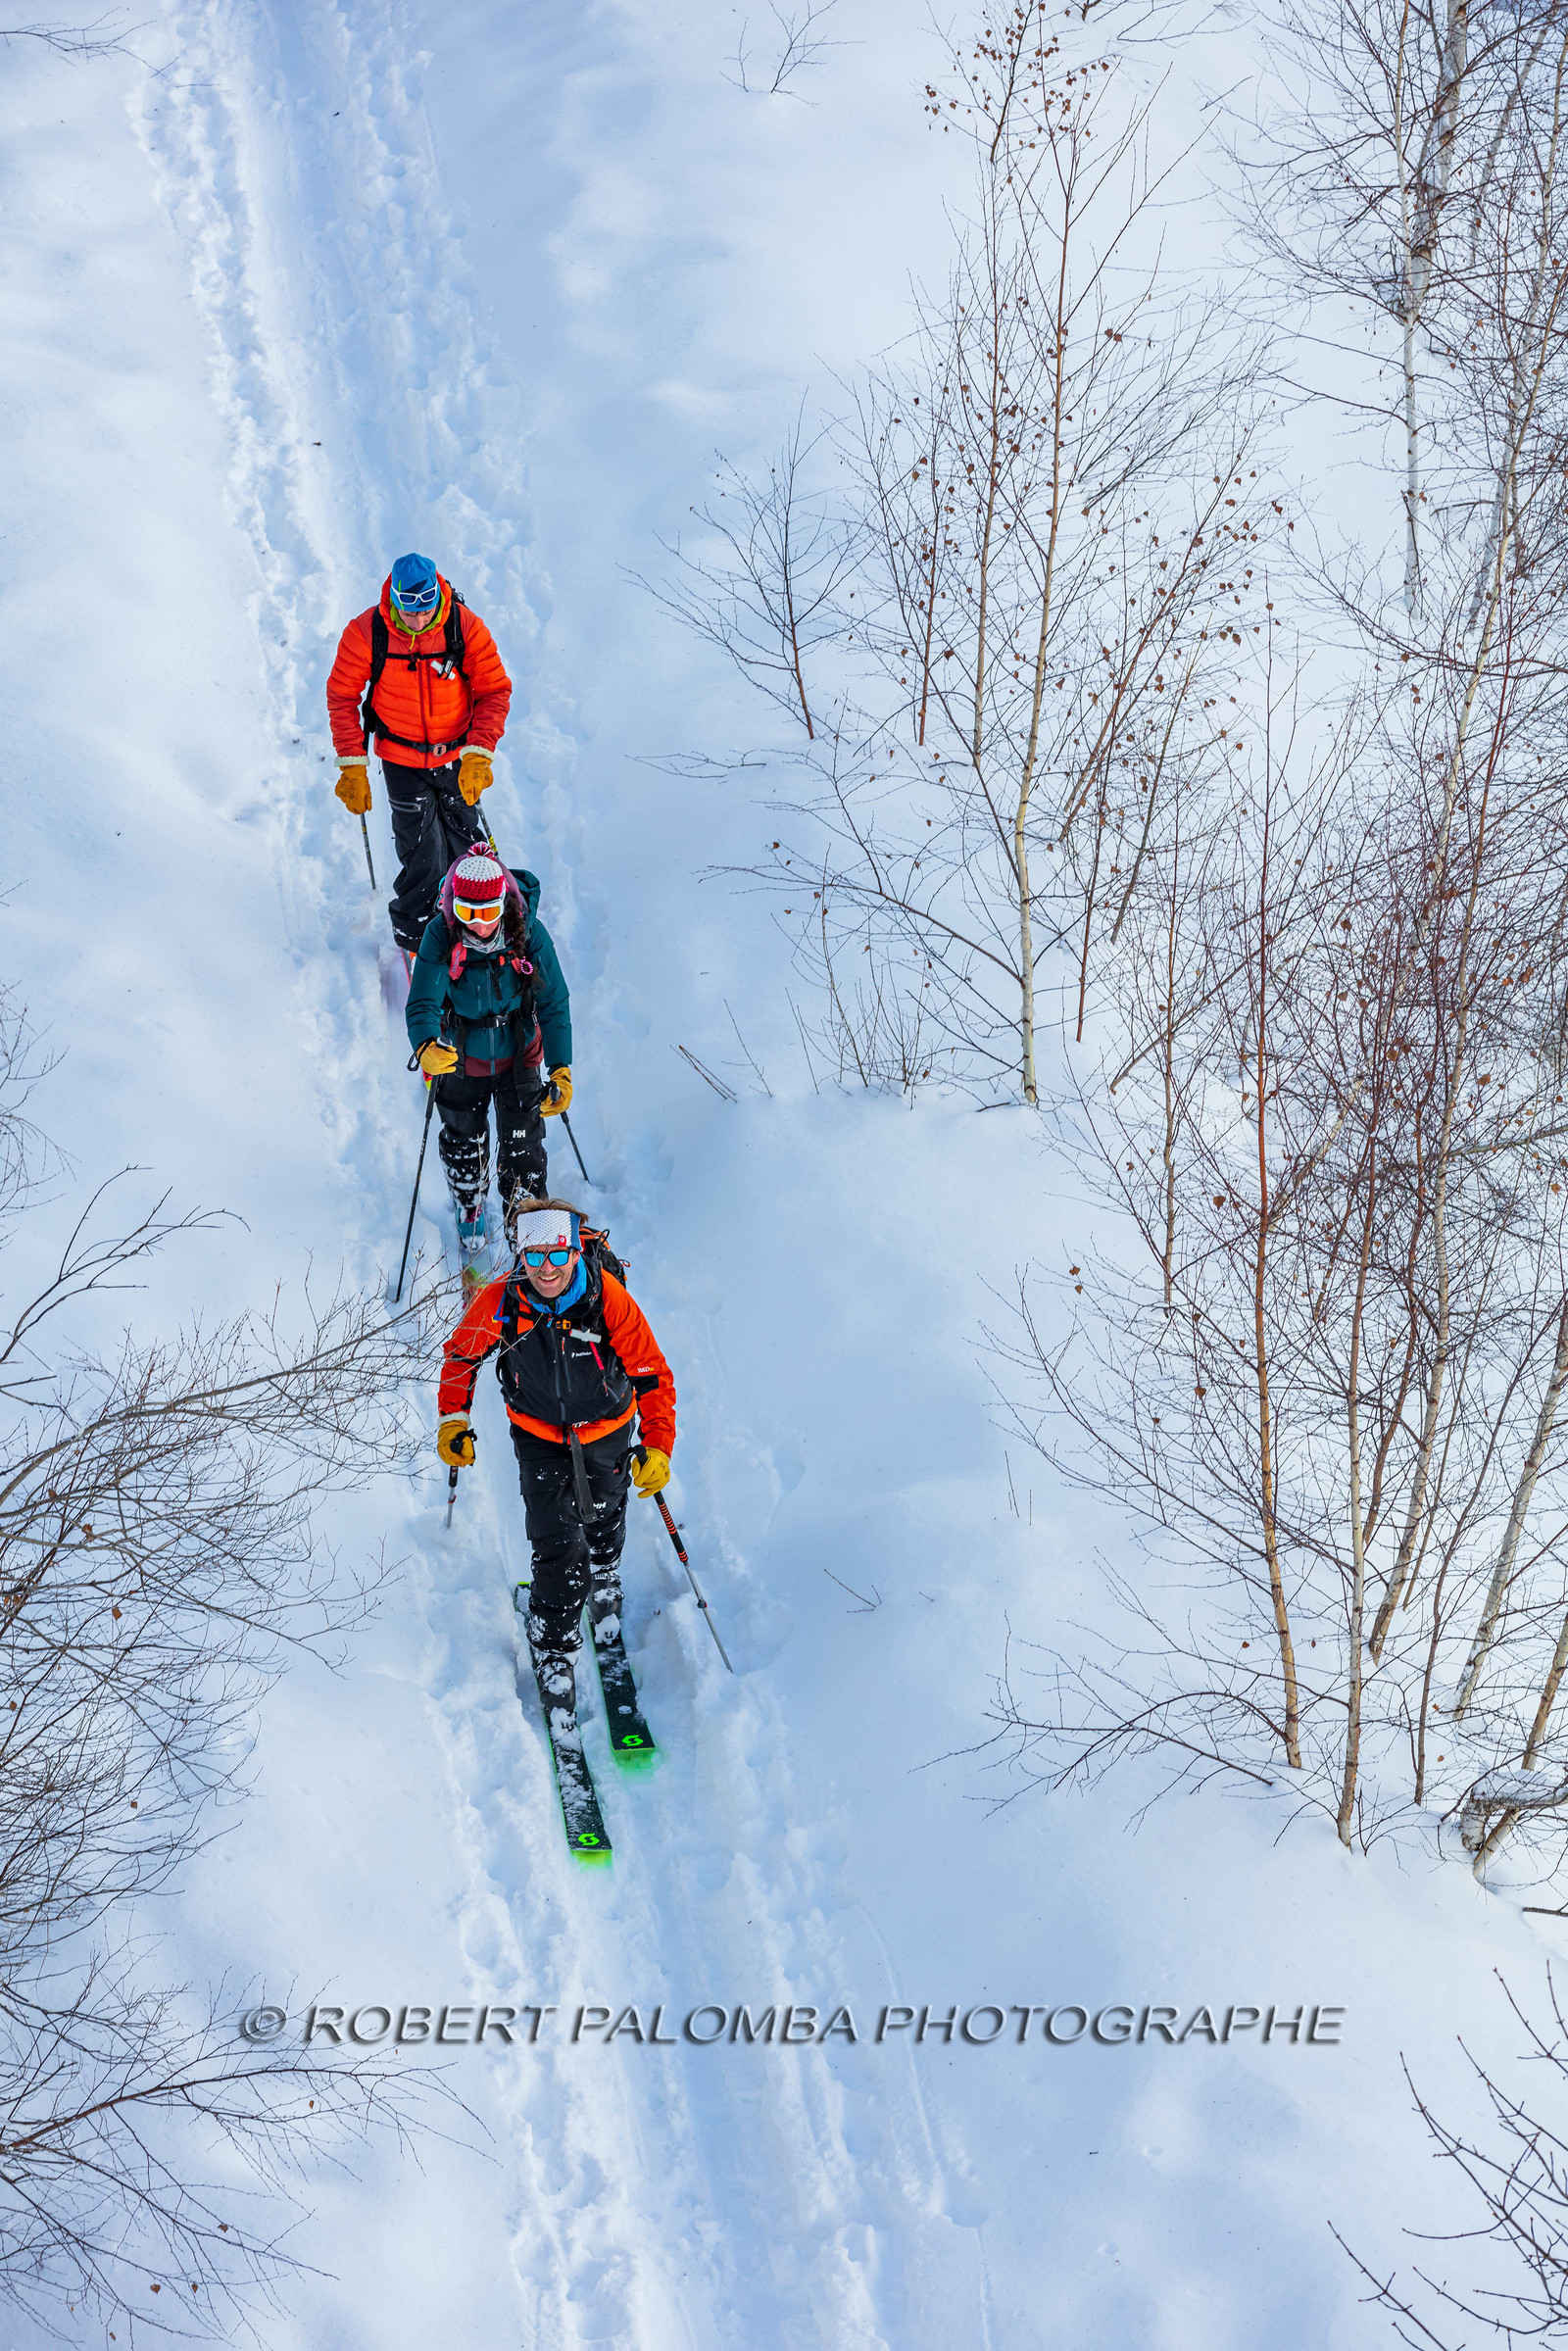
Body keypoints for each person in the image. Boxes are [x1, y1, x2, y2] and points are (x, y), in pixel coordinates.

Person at [435, 1200, 676, 1726]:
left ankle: (607, 1570)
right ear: (523, 1253)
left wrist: (657, 1446)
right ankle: (554, 1647)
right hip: (538, 1432)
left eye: (558, 1254)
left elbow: (652, 1374)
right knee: (554, 1540)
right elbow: (461, 1356)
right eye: (536, 1254)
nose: (547, 1268)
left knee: (607, 1511)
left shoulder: (606, 1298)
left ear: (574, 1251)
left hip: (608, 1426)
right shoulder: (502, 1300)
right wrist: (453, 1418)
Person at [327, 553, 513, 955]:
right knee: (421, 853)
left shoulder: (462, 627)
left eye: (425, 606)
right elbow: (342, 696)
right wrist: (353, 765)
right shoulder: (366, 633)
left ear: (437, 596)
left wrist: (479, 754)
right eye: (407, 609)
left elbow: (494, 689)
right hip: (402, 758)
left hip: (456, 756)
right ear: (393, 598)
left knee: (466, 845)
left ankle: (475, 922)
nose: (416, 619)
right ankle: (416, 937)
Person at [405, 845, 573, 1275]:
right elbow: (422, 1000)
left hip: (519, 1056)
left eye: (487, 912)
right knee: (464, 1141)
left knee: (524, 1150)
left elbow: (554, 1001)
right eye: (467, 912)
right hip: (459, 1057)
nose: (478, 926)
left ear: (504, 903)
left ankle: (529, 1232)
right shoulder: (441, 934)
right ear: (453, 904)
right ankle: (468, 1202)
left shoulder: (527, 933)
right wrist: (425, 1043)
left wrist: (560, 1067)